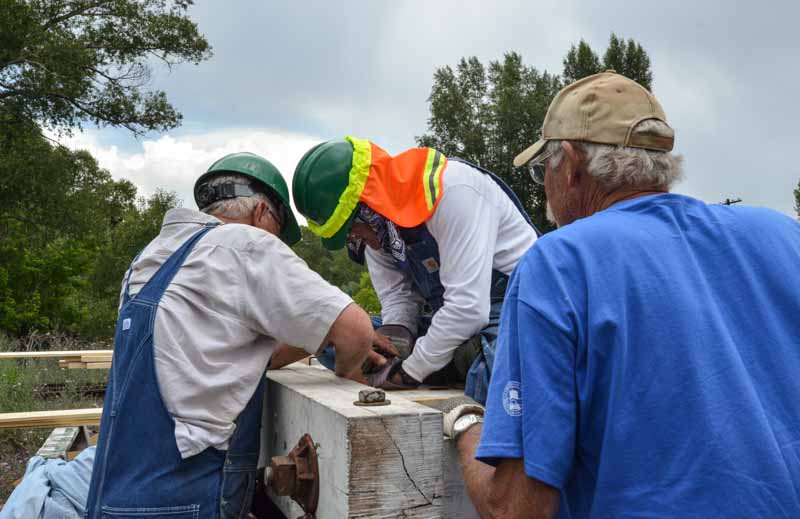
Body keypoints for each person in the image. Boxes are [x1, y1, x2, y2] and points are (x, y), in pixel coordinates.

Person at [442, 71, 800, 518]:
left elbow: (517, 509)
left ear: (570, 164)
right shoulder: (783, 235)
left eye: (542, 171)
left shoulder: (559, 264)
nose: (545, 189)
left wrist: (465, 426)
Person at [83, 152, 391, 519]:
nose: (278, 244)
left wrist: (318, 335)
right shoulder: (243, 244)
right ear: (261, 213)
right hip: (186, 498)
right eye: (278, 233)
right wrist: (351, 369)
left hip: (114, 496)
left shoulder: (150, 258)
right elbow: (355, 329)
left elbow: (231, 354)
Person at [291, 137, 539, 403]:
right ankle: (452, 360)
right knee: (342, 343)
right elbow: (398, 301)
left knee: (506, 366)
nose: (356, 240)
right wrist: (391, 346)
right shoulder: (380, 232)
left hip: (517, 310)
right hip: (453, 319)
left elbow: (469, 308)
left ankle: (456, 360)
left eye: (353, 229)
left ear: (369, 207)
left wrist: (408, 372)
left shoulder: (454, 191)